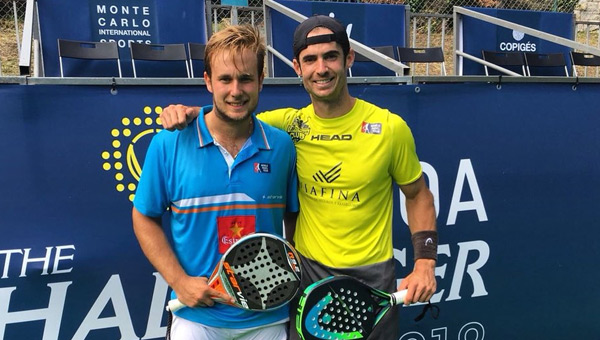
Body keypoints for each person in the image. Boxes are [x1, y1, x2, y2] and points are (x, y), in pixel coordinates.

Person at [160, 15, 437, 339]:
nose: (321, 69)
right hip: (307, 278)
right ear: (296, 67)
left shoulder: (389, 128)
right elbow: (231, 112)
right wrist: (191, 113)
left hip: (371, 280)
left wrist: (425, 263)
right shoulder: (285, 127)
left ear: (348, 59)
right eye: (310, 60)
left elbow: (418, 195)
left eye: (331, 56)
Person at [132, 24, 299, 340]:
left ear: (261, 81)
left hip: (267, 319)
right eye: (225, 79)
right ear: (208, 81)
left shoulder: (281, 147)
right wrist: (179, 281)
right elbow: (144, 216)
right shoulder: (168, 143)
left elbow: (292, 216)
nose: (236, 90)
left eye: (246, 79)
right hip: (197, 320)